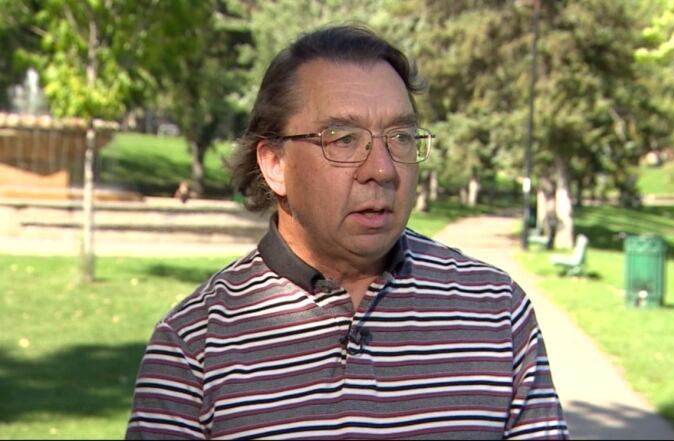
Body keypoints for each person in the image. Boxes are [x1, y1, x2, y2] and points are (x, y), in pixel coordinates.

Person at [126, 25, 568, 440]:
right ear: (275, 164)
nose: (382, 169)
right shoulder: (192, 347)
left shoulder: (495, 312)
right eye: (343, 139)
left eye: (400, 137)